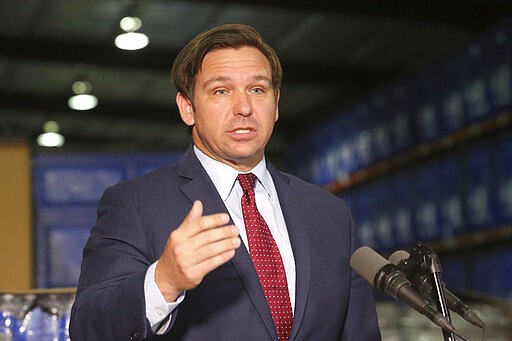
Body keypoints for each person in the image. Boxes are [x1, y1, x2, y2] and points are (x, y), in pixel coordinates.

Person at [69, 23, 381, 341]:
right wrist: (164, 281)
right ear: (187, 108)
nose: (243, 108)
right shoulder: (135, 203)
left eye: (257, 90)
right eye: (221, 91)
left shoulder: (330, 212)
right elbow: (88, 328)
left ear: (276, 104)